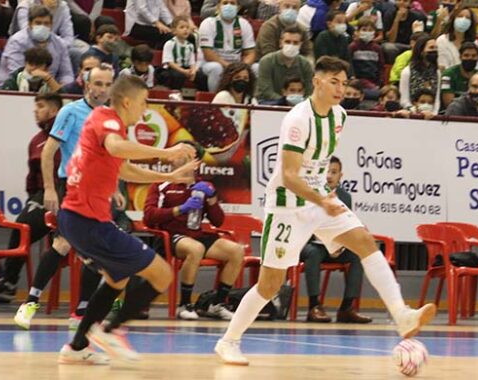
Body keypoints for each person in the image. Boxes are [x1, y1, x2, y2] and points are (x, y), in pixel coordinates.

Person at [214, 56, 437, 366]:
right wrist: (321, 201)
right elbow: (290, 176)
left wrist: (322, 198)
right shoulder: (297, 119)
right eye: (334, 81)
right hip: (286, 205)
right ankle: (228, 341)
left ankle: (401, 314)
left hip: (319, 197)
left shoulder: (340, 115)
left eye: (344, 83)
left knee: (365, 242)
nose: (340, 88)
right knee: (270, 285)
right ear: (316, 81)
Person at [56, 75, 199, 364]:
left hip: (79, 220)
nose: (145, 110)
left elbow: (124, 169)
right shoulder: (108, 120)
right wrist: (166, 152)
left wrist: (168, 176)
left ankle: (76, 346)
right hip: (86, 221)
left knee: (117, 277)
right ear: (127, 101)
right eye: (144, 102)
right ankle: (111, 329)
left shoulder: (104, 122)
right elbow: (117, 148)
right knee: (162, 274)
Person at [12, 63, 114, 330]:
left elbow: (110, 156)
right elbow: (48, 152)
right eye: (98, 83)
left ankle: (80, 313)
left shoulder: (110, 116)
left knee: (95, 250)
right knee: (63, 244)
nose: (102, 89)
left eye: (107, 84)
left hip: (98, 191)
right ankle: (31, 304)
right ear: (86, 84)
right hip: (71, 185)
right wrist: (48, 188)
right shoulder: (70, 112)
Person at [143, 150, 242, 321]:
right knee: (195, 249)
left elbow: (218, 222)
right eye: (178, 155)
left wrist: (212, 199)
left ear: (195, 162)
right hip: (171, 236)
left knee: (236, 251)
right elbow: (149, 217)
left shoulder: (203, 186)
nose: (182, 158)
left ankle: (217, 305)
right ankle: (185, 304)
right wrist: (179, 209)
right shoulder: (161, 185)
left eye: (187, 156)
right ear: (171, 162)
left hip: (197, 234)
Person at [0, 93, 64, 301]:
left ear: (54, 111)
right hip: (43, 194)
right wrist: (35, 199)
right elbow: (32, 177)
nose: (36, 110)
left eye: (41, 106)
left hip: (68, 191)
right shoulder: (36, 141)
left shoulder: (68, 133)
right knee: (22, 227)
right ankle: (9, 282)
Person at [300, 156, 372, 324]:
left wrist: (340, 245)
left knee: (357, 254)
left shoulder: (345, 197)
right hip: (310, 243)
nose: (329, 176)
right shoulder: (311, 194)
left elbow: (345, 226)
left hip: (336, 245)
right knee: (313, 253)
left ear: (341, 176)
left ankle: (347, 308)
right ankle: (314, 306)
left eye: (334, 172)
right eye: (326, 171)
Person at [0, 5, 74, 88]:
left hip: (48, 88)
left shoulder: (60, 43)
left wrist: (64, 87)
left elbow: (66, 74)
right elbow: (17, 73)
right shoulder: (16, 41)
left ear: (51, 25)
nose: (42, 26)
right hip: (11, 87)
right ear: (29, 24)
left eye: (46, 23)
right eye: (38, 23)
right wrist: (46, 78)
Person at [198, 0, 257, 93]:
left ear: (238, 8)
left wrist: (242, 66)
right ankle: (215, 99)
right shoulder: (208, 23)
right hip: (210, 63)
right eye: (225, 3)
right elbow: (208, 54)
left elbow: (250, 53)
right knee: (216, 68)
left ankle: (249, 100)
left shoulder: (244, 24)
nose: (228, 6)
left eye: (232, 3)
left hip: (237, 63)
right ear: (218, 7)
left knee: (256, 68)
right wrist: (229, 66)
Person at [257, 26, 313, 102]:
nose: (291, 45)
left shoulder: (305, 64)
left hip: (299, 104)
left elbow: (309, 90)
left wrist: (301, 102)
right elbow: (266, 91)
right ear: (281, 43)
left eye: (295, 43)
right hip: (269, 102)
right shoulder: (266, 61)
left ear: (300, 44)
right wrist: (285, 101)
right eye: (287, 42)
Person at [158, 15, 198, 90]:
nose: (185, 30)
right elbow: (170, 63)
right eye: (182, 27)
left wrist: (193, 71)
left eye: (187, 27)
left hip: (185, 68)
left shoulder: (190, 45)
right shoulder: (169, 44)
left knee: (201, 76)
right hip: (172, 69)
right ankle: (175, 94)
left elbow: (192, 62)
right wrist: (184, 71)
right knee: (178, 75)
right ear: (174, 31)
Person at [10, 0, 75, 46]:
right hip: (25, 46)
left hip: (54, 46)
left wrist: (55, 46)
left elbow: (68, 38)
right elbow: (27, 34)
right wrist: (45, 9)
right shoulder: (25, 6)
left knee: (77, 52)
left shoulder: (63, 6)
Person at [399, 34, 438, 108]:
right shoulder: (407, 72)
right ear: (421, 51)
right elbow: (404, 100)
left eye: (436, 48)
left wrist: (434, 114)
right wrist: (415, 112)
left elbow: (437, 100)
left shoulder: (437, 72)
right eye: (431, 48)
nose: (435, 50)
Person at [435, 6, 477, 72]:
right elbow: (442, 66)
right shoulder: (442, 40)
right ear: (453, 19)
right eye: (460, 16)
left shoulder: (474, 42)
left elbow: (476, 67)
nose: (463, 19)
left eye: (467, 18)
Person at [349, 16, 384, 91]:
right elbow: (349, 65)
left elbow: (380, 67)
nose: (367, 32)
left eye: (370, 30)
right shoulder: (353, 47)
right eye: (364, 30)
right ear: (357, 31)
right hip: (358, 82)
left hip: (374, 82)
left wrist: (379, 82)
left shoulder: (377, 48)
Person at [440, 41, 478, 109]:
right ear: (460, 57)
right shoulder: (448, 75)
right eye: (466, 55)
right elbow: (448, 104)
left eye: (473, 56)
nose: (470, 58)